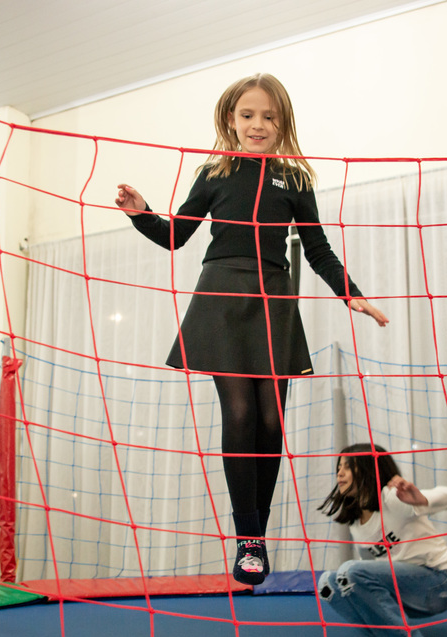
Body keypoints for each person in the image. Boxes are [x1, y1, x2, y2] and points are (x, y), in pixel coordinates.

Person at [115, 74, 389, 586]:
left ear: (282, 124)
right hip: (222, 295)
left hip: (273, 297)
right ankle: (249, 540)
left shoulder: (295, 180)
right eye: (247, 115)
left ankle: (254, 533)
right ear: (230, 120)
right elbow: (176, 235)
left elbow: (318, 248)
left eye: (268, 116)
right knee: (240, 413)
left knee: (270, 422)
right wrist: (141, 214)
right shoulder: (214, 172)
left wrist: (351, 293)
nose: (257, 124)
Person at [317, 444, 447, 637]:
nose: (339, 473)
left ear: (367, 470)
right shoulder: (356, 523)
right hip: (405, 591)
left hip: (438, 583)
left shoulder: (391, 498)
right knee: (328, 584)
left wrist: (421, 499)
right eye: (338, 467)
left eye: (347, 467)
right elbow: (369, 572)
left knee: (350, 571)